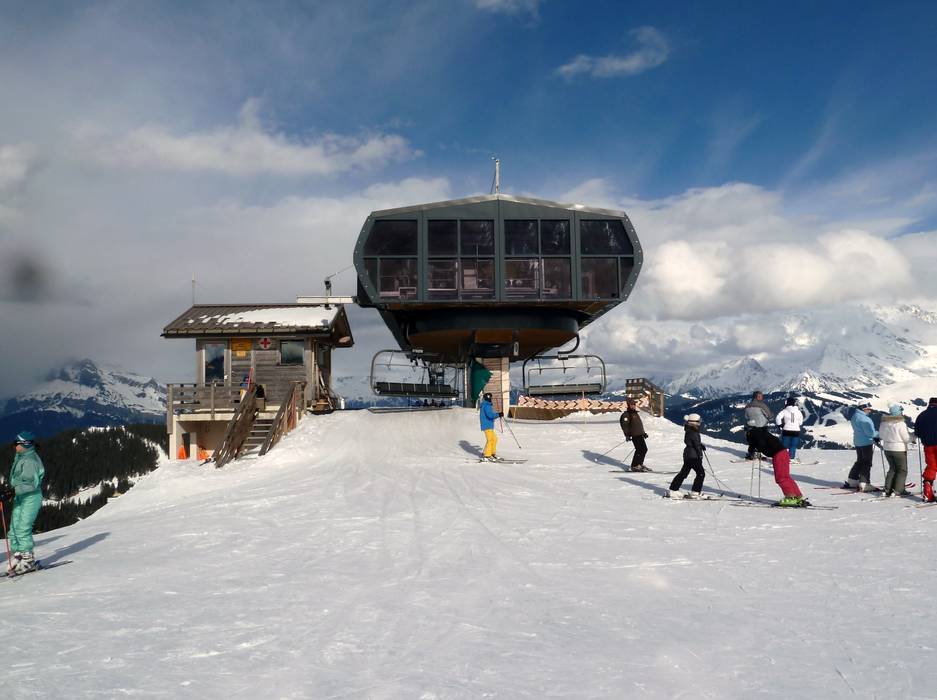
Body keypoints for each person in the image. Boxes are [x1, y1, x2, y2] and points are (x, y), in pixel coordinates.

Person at [6, 431, 45, 575]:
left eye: (16, 443)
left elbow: (30, 484)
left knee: (23, 528)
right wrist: (11, 491)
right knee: (14, 527)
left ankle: (28, 560)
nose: (14, 446)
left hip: (31, 497)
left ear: (25, 444)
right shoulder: (22, 456)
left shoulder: (30, 461)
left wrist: (11, 492)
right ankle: (19, 556)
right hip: (21, 496)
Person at [748, 427, 808, 506]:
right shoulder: (763, 434)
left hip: (778, 455)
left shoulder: (756, 436)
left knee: (781, 478)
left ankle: (790, 497)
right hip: (784, 453)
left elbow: (760, 445)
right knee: (786, 477)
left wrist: (754, 449)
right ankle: (797, 496)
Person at [669, 414, 706, 499]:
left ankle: (673, 490)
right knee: (701, 474)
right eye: (699, 421)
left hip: (688, 455)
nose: (700, 423)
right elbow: (696, 445)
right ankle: (695, 492)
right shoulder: (694, 432)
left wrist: (700, 445)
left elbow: (693, 442)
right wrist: (700, 455)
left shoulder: (689, 430)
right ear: (694, 422)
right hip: (693, 456)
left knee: (683, 473)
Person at [880, 404, 913, 497]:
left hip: (887, 448)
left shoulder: (884, 423)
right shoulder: (900, 424)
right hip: (898, 449)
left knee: (892, 469)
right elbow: (906, 438)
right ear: (899, 412)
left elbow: (881, 436)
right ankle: (898, 490)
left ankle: (887, 489)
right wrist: (914, 435)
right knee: (902, 470)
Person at [844, 402, 879, 492]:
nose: (869, 411)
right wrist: (879, 434)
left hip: (858, 442)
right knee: (866, 463)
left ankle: (852, 480)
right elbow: (870, 433)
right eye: (868, 409)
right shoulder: (865, 419)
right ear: (863, 409)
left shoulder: (855, 416)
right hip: (866, 442)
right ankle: (864, 483)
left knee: (859, 461)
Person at [913, 397, 937, 502]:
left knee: (932, 466)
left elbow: (917, 432)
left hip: (928, 445)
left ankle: (928, 490)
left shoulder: (921, 415)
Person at [619, 398, 650, 472]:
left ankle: (639, 464)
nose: (633, 405)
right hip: (634, 435)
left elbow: (638, 425)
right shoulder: (626, 415)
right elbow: (624, 426)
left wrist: (643, 433)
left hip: (639, 434)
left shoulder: (635, 413)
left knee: (644, 449)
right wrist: (627, 435)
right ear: (628, 405)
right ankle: (635, 466)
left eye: (634, 404)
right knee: (639, 449)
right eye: (632, 404)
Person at [744, 391, 774, 460]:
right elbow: (769, 415)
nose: (762, 397)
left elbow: (746, 416)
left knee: (752, 440)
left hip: (751, 426)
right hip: (761, 426)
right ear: (757, 397)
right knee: (761, 441)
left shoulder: (747, 406)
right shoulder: (762, 405)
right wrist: (771, 415)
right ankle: (758, 453)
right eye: (760, 396)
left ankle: (751, 453)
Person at [775, 396, 804, 460]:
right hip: (796, 431)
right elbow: (800, 422)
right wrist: (796, 424)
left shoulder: (784, 411)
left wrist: (780, 425)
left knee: (784, 445)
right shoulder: (798, 412)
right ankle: (791, 458)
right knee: (793, 445)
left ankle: (783, 458)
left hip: (786, 430)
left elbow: (777, 418)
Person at [479, 392, 503, 462]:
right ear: (487, 398)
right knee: (490, 440)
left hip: (489, 425)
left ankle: (492, 453)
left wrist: (498, 414)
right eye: (490, 398)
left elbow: (490, 414)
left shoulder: (487, 404)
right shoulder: (486, 405)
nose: (490, 399)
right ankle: (487, 455)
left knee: (494, 439)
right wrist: (498, 414)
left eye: (490, 397)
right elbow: (490, 415)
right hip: (487, 425)